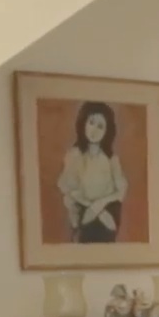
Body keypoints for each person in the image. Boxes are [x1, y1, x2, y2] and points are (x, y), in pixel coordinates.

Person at [57, 101, 128, 244]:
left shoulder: (111, 159)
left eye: (100, 126)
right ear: (84, 123)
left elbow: (121, 191)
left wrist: (100, 205)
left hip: (108, 211)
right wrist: (92, 207)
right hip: (82, 210)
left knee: (109, 226)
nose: (94, 130)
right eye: (91, 123)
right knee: (83, 225)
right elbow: (68, 189)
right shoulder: (74, 155)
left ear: (107, 131)